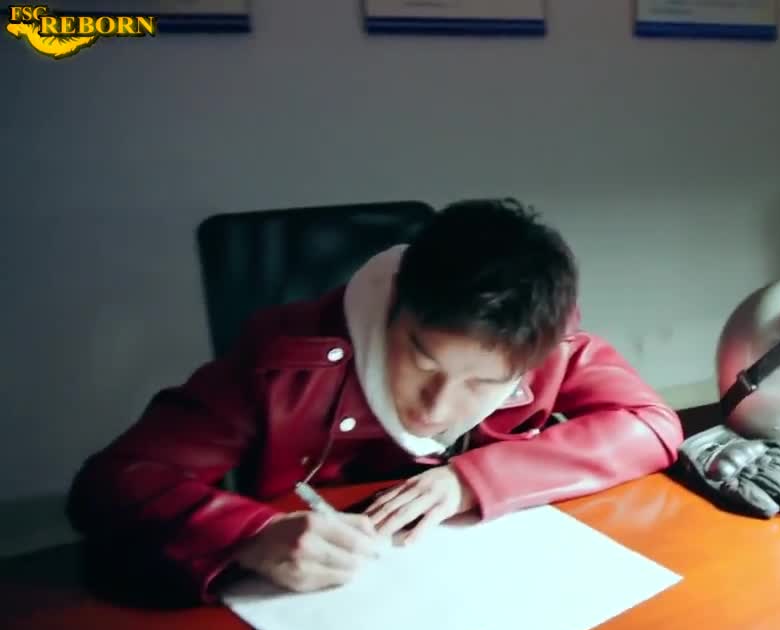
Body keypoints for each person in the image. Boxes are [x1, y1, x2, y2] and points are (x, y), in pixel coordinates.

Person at [67, 198, 684, 603]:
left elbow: (651, 424)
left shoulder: (543, 345)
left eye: (483, 383)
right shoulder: (281, 358)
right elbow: (109, 483)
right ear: (393, 306)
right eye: (422, 362)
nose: (437, 408)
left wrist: (472, 481)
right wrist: (251, 535)